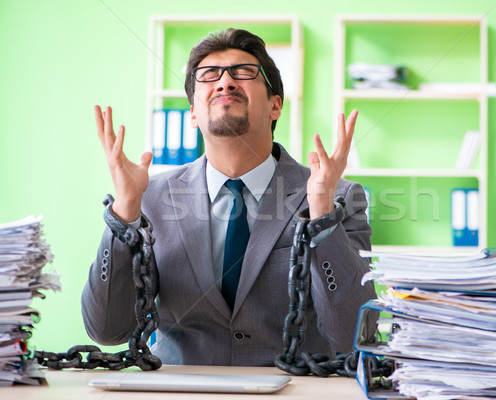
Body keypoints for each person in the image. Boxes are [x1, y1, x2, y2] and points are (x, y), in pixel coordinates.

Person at [81, 28, 375, 366]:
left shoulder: (339, 197)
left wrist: (322, 213)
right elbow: (106, 330)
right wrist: (124, 211)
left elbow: (354, 334)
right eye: (209, 75)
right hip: (179, 390)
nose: (225, 82)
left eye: (243, 72)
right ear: (192, 113)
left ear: (275, 106)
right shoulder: (149, 197)